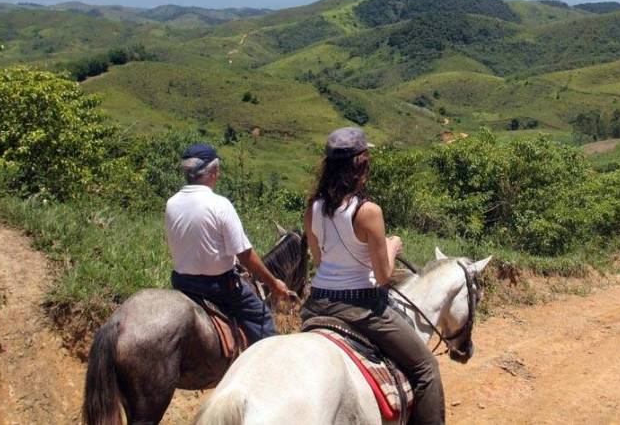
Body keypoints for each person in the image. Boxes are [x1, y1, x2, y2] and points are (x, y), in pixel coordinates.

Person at [301, 127, 445, 425]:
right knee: (426, 369)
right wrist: (392, 246)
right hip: (361, 307)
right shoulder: (368, 212)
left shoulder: (312, 208)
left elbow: (319, 259)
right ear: (362, 166)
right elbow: (383, 277)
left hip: (317, 303)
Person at [166, 143, 293, 343]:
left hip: (182, 283)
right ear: (214, 171)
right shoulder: (220, 204)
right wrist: (273, 283)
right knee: (263, 320)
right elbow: (244, 254)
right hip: (217, 287)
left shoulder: (171, 203)